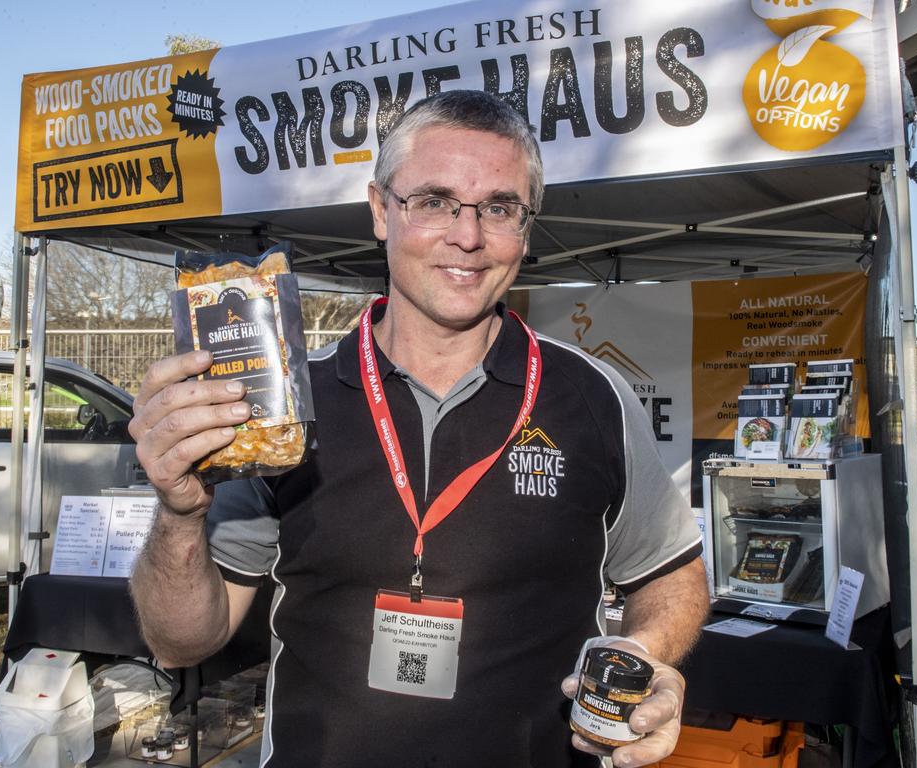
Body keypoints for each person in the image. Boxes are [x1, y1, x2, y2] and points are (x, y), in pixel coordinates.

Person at [129, 89, 709, 768]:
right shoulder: (280, 410)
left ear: (525, 229)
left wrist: (641, 653)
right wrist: (177, 514)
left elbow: (672, 576)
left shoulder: (594, 397)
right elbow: (180, 643)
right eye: (433, 200)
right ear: (381, 210)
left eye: (499, 208)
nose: (468, 236)